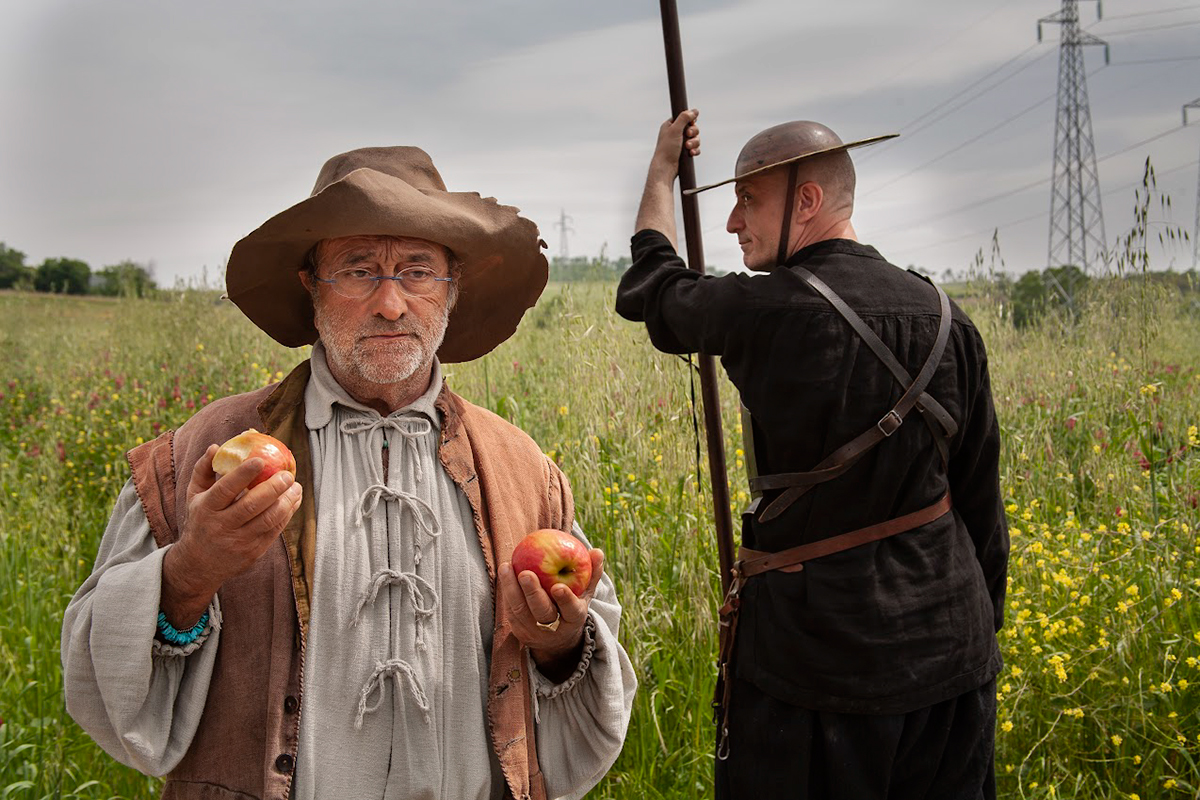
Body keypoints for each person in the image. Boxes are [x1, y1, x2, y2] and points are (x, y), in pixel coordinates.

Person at [62, 146, 637, 800]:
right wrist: (190, 570)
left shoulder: (522, 469)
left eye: (418, 271)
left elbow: (589, 674)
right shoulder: (207, 452)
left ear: (452, 289)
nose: (391, 304)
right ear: (310, 285)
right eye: (358, 270)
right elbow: (94, 669)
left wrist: (560, 646)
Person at [616, 111, 1007, 799]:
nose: (733, 221)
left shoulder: (764, 310)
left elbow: (650, 285)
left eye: (749, 199)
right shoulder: (950, 317)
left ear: (808, 200)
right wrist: (976, 635)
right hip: (955, 656)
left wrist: (660, 167)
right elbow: (981, 508)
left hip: (812, 666)